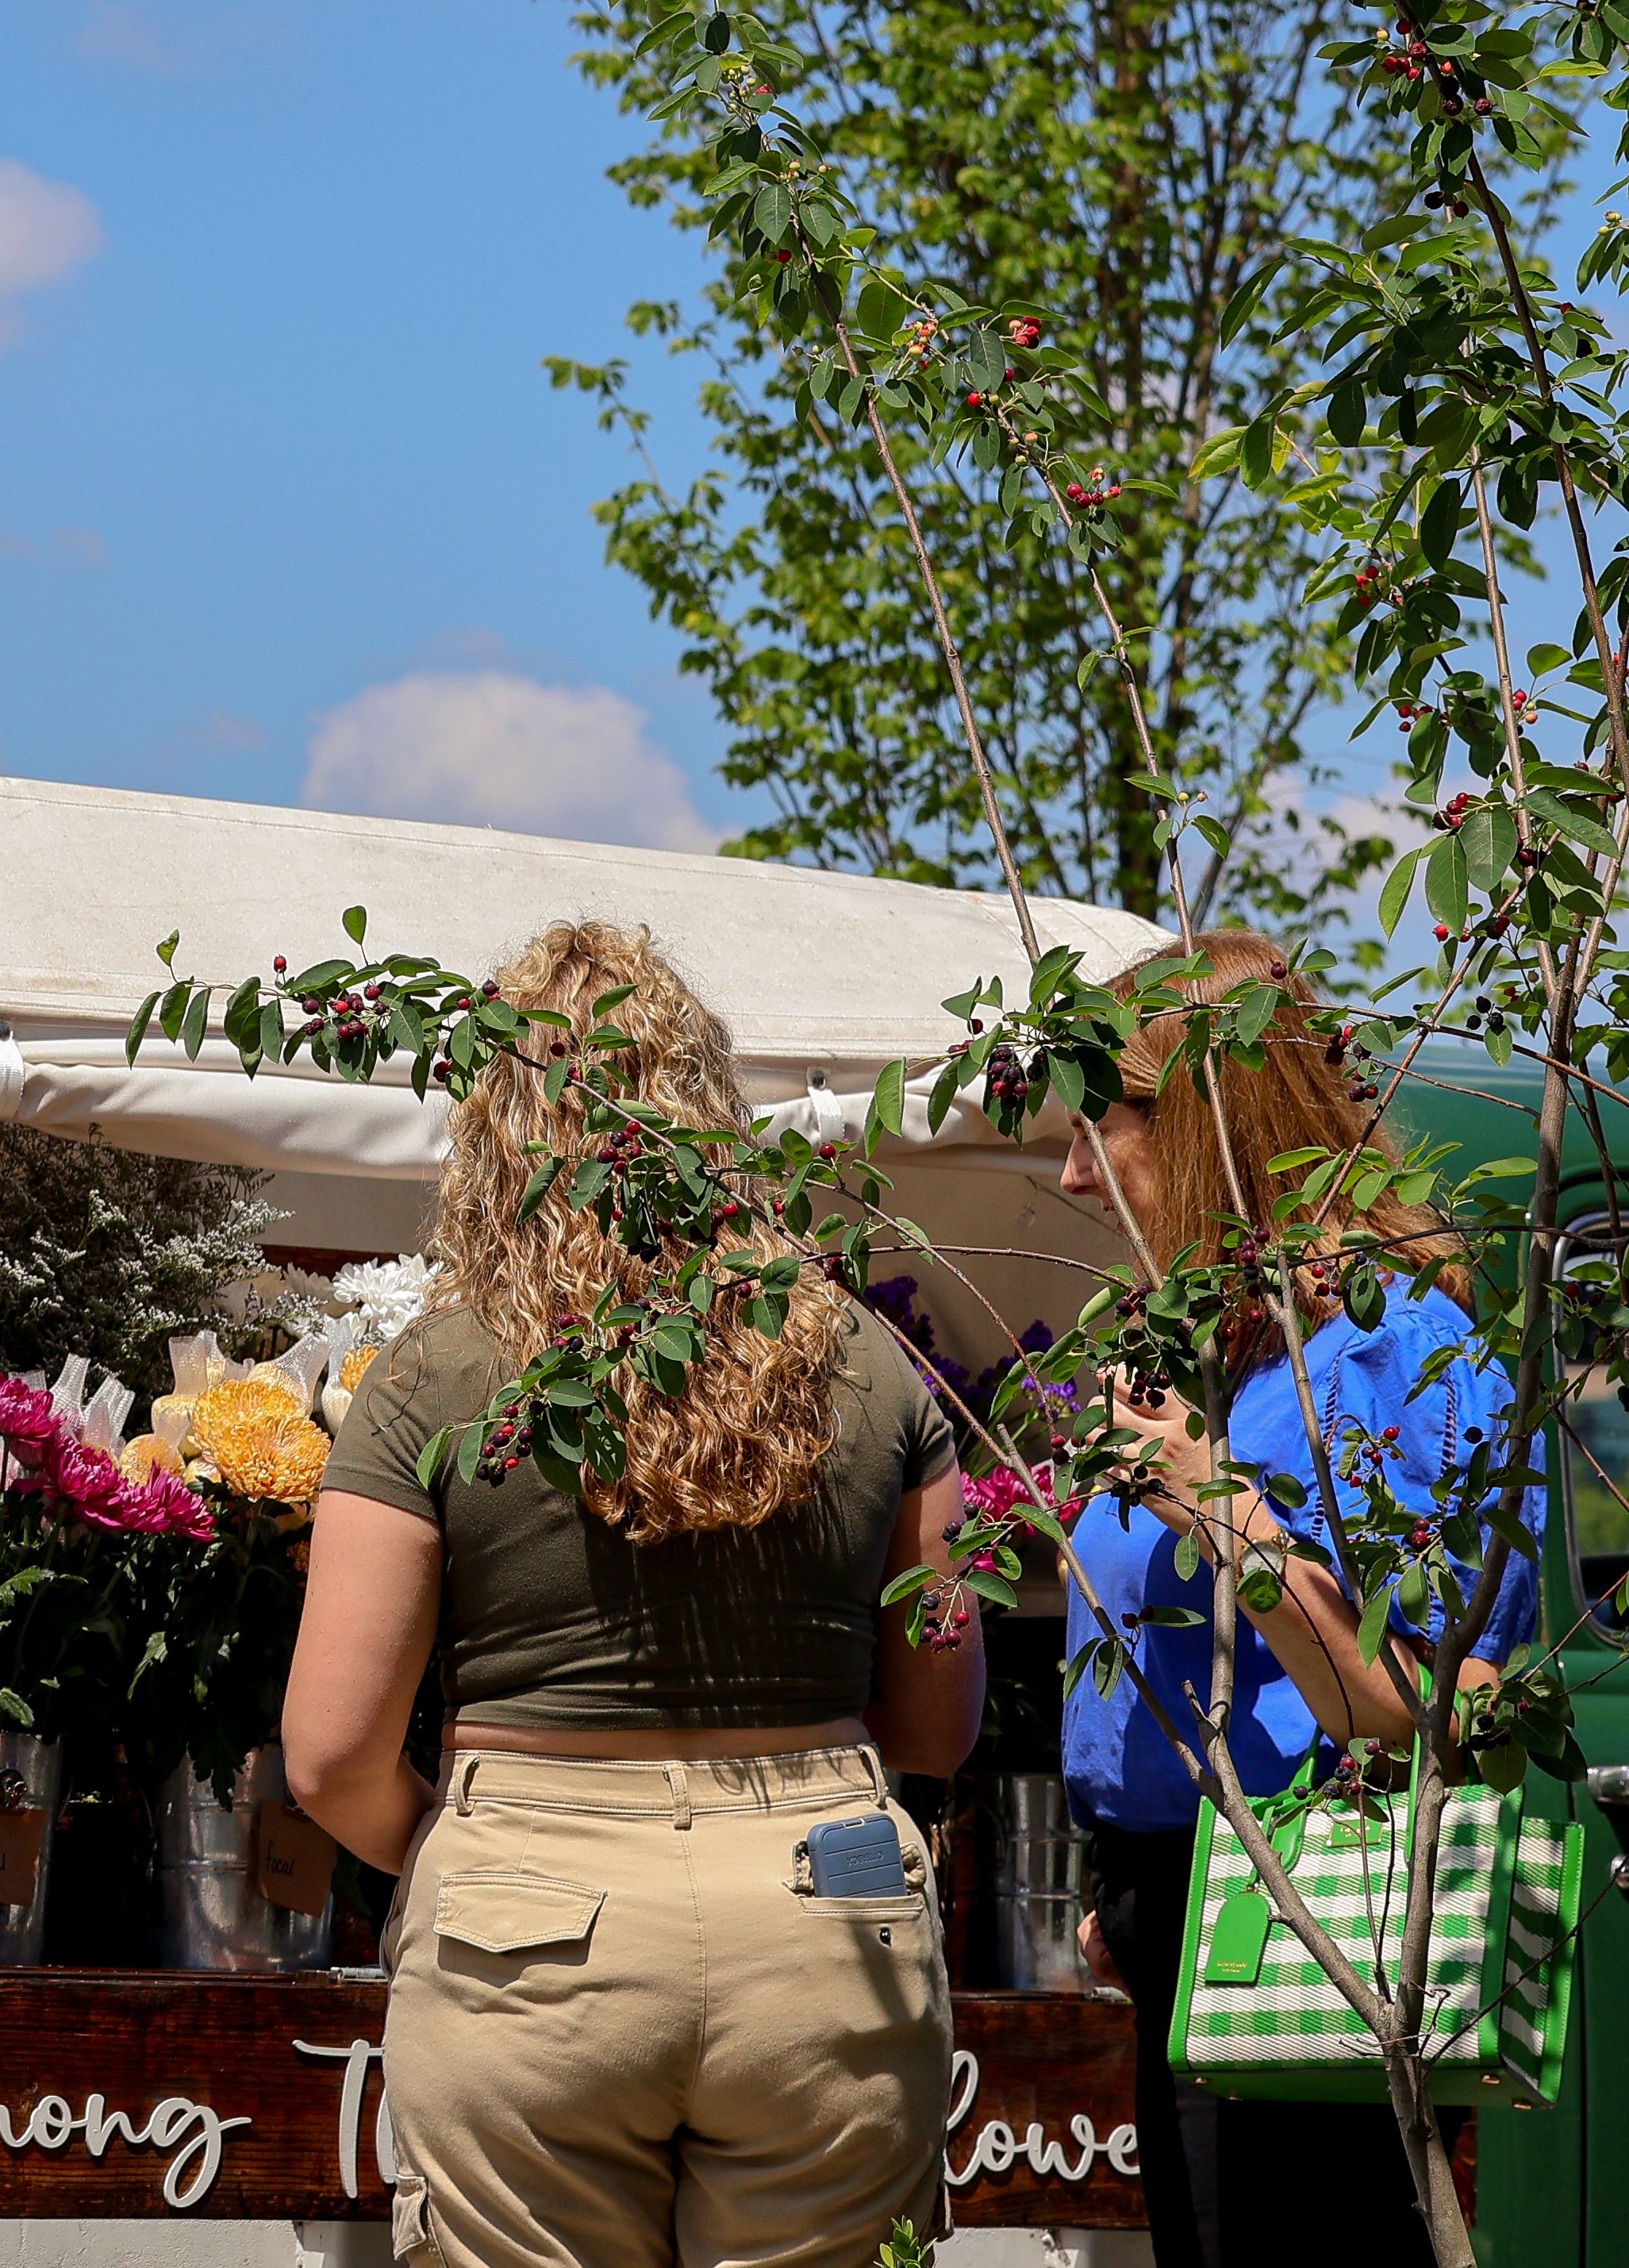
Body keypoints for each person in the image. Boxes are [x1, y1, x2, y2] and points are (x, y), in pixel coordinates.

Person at [283, 919, 981, 2268]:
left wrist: (468, 1847)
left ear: (498, 1127)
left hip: (526, 1930)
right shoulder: (869, 1365)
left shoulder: (434, 1373)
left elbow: (328, 1757)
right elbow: (936, 1729)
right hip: (829, 1913)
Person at [1057, 931, 1531, 2268]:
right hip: (1191, 1918)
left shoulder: (1387, 1353)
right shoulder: (1219, 1344)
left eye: (1099, 1129)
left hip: (1317, 1921)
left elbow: (1431, 1704)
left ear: (1203, 1127)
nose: (1073, 1176)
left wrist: (1217, 1506)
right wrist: (1129, 1887)